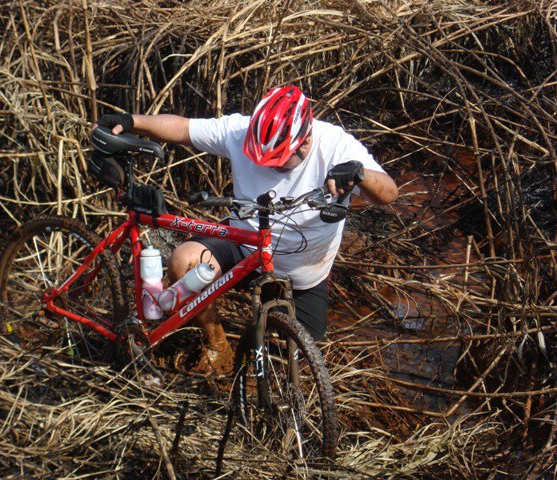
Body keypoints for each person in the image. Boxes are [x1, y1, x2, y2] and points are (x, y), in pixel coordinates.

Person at [94, 85, 398, 373]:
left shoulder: (335, 145)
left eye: (278, 162)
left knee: (304, 362)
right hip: (243, 244)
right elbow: (183, 128)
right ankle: (217, 345)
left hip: (303, 272)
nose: (268, 168)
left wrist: (359, 174)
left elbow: (389, 194)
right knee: (184, 261)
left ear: (305, 141)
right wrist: (132, 121)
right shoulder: (242, 130)